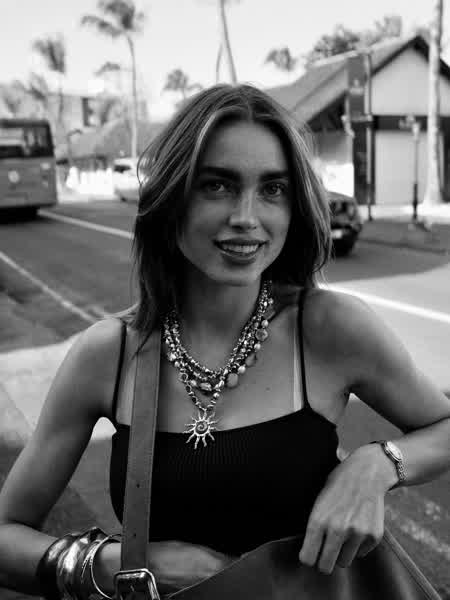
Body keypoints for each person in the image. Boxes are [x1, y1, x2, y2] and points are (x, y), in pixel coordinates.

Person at [0, 83, 449, 599]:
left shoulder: (330, 328)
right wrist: (115, 564)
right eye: (216, 185)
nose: (247, 217)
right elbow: (7, 536)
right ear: (172, 199)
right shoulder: (108, 353)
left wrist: (378, 465)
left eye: (273, 189)